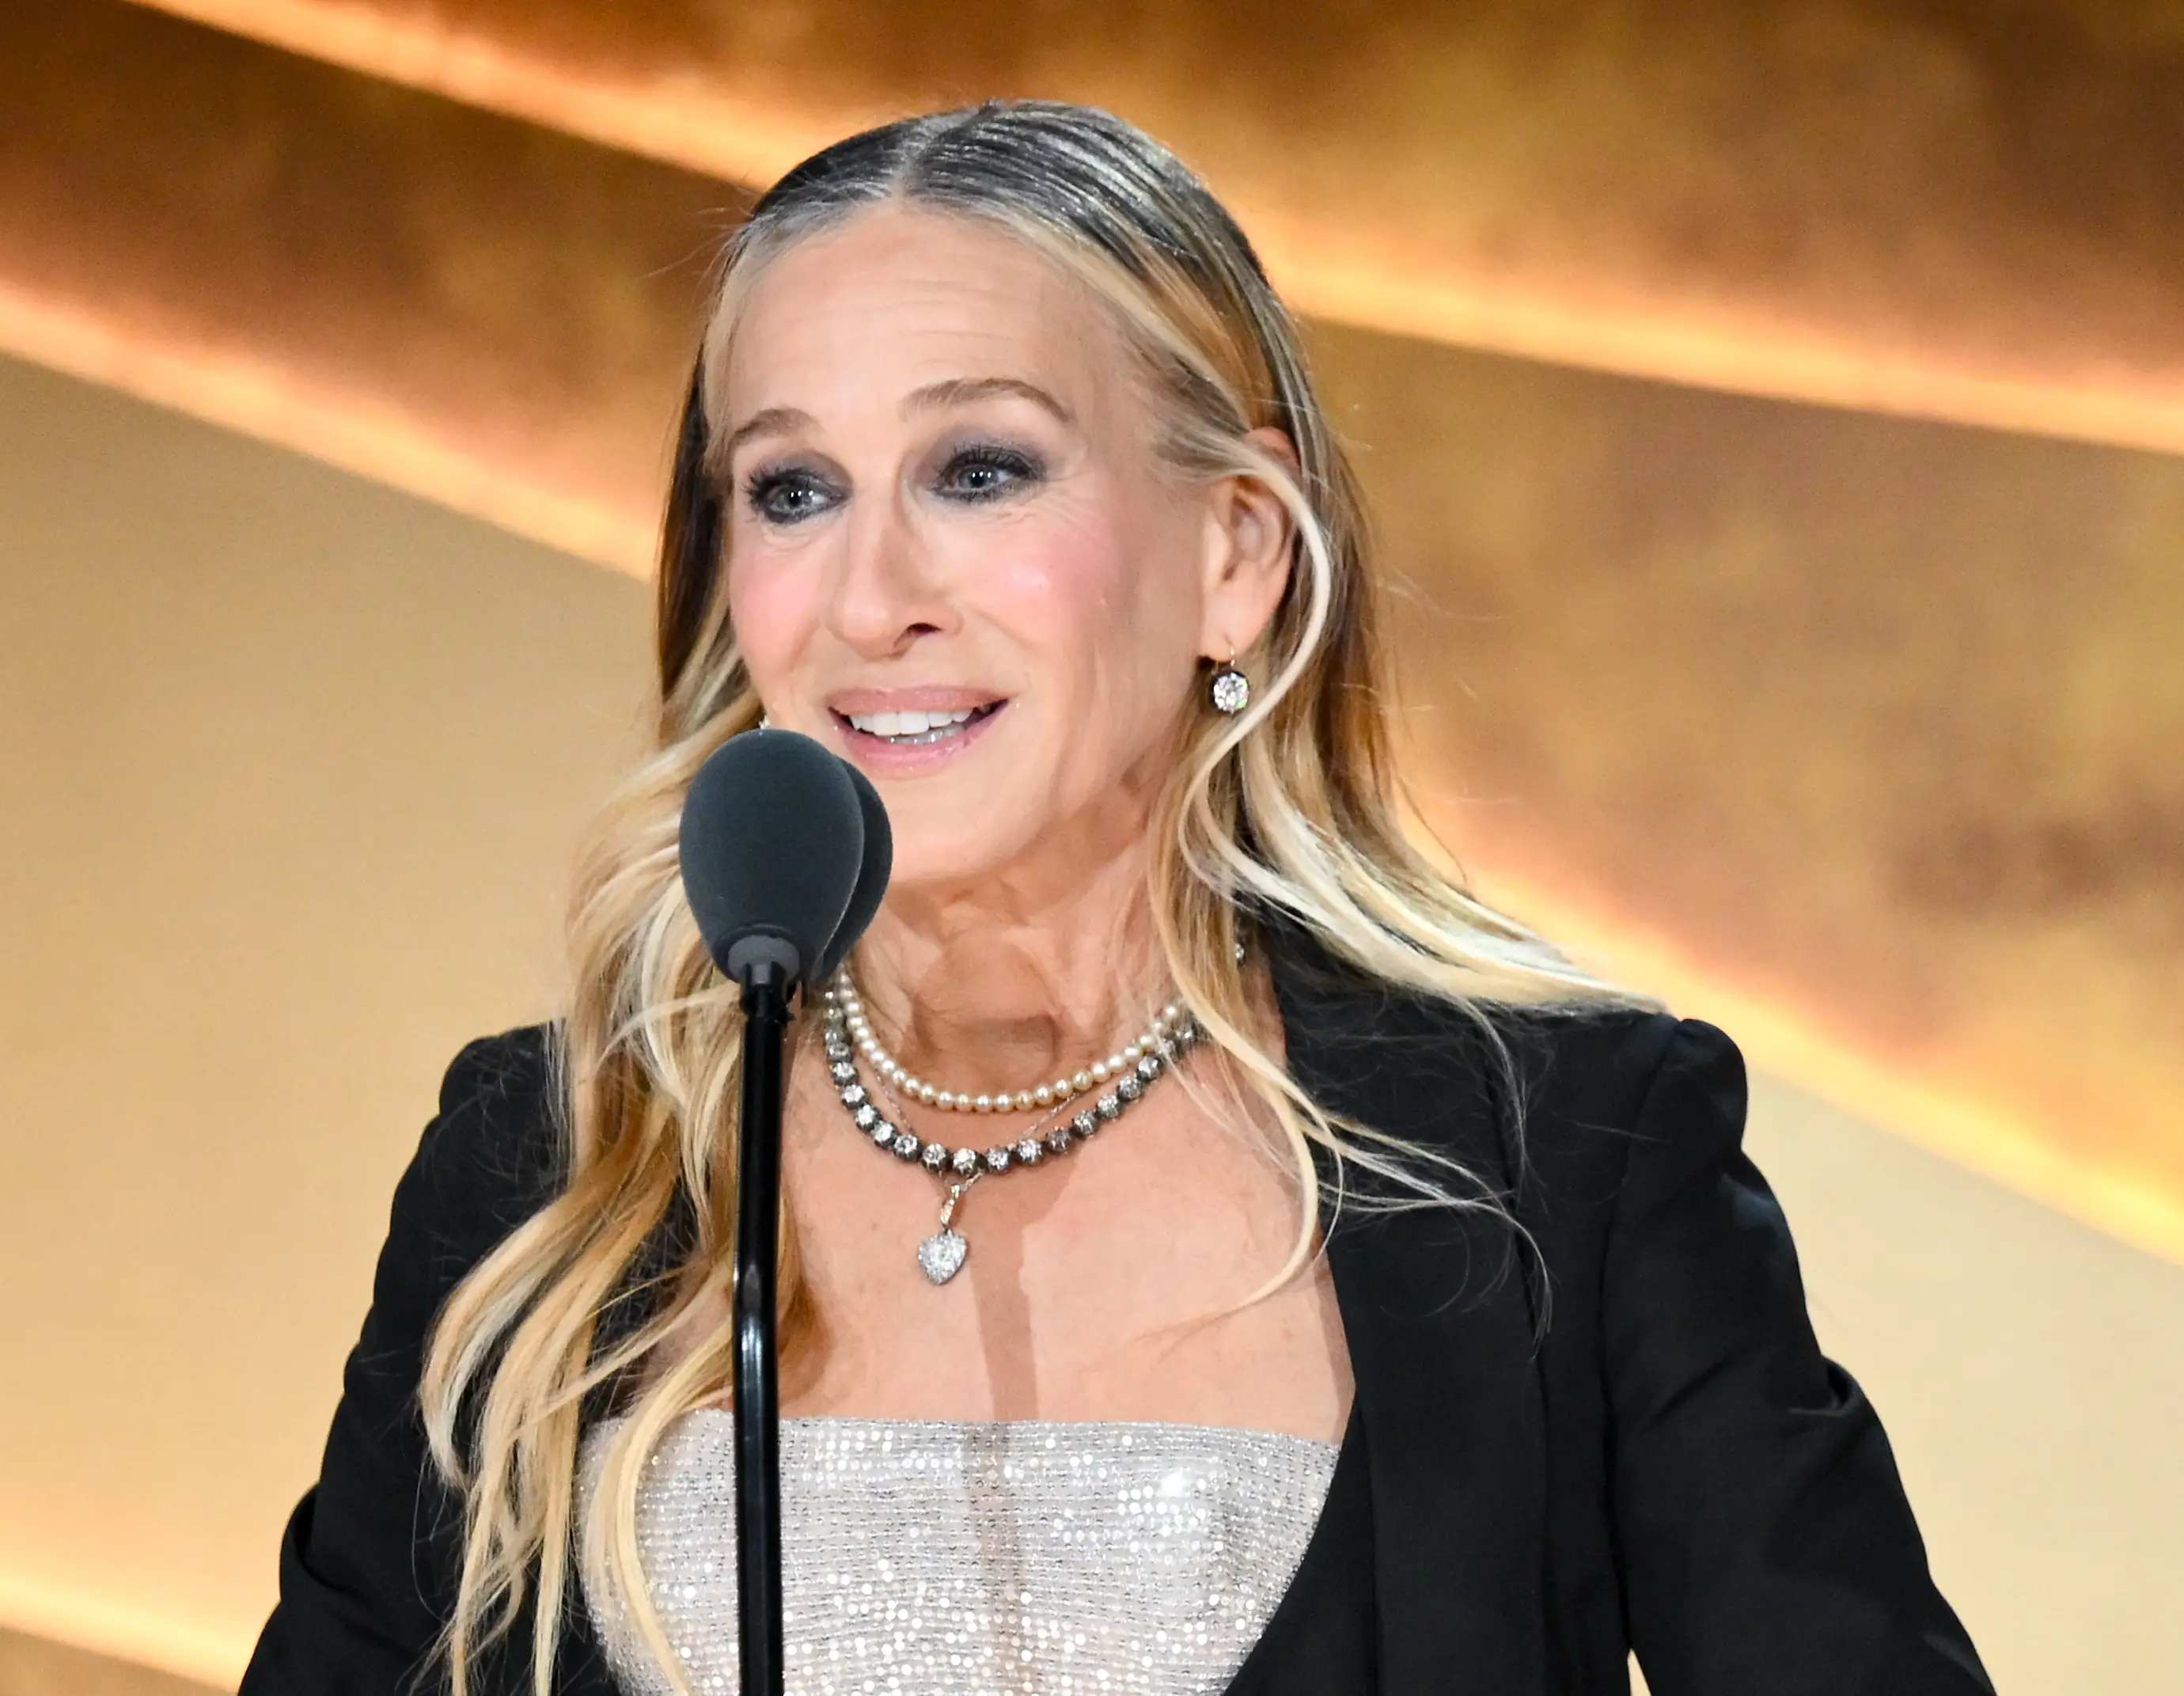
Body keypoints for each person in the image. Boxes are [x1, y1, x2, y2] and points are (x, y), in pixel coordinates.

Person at [239, 101, 1992, 1696]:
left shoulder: (1567, 1156)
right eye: (793, 490)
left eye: (980, 469)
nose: (869, 596)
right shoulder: (548, 1168)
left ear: (1236, 552)